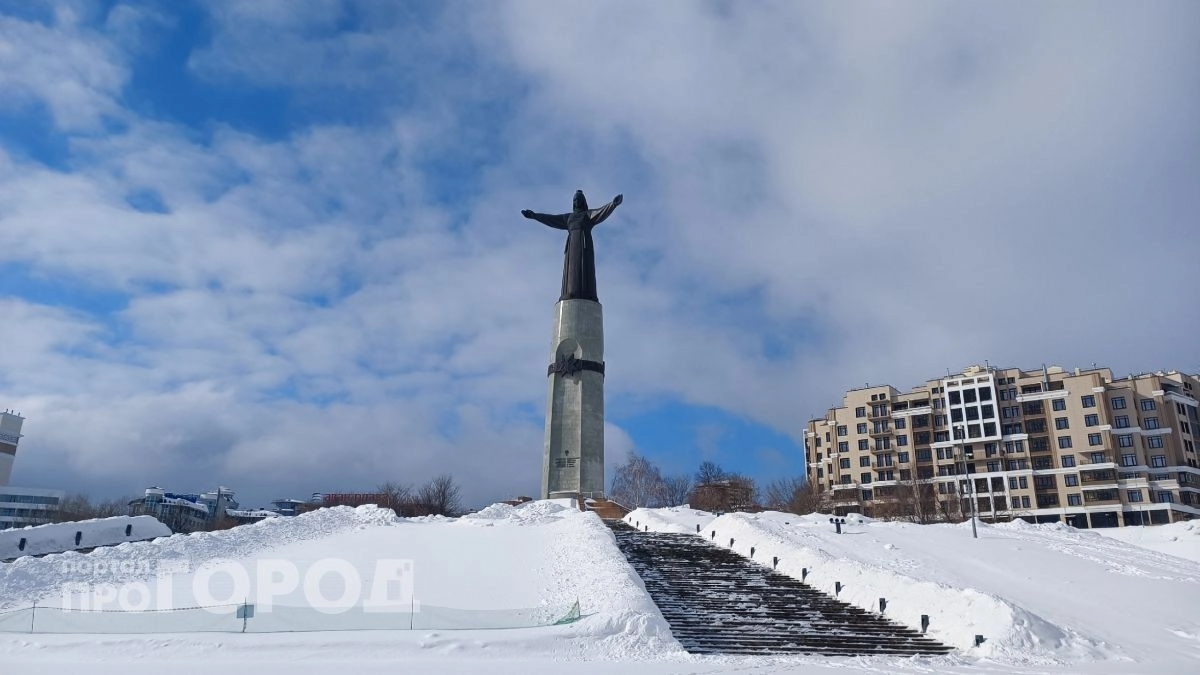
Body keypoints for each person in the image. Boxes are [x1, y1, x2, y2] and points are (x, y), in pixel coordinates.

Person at [522, 190, 623, 301]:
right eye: (575, 200)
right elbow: (552, 219)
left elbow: (601, 212)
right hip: (572, 247)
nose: (576, 202)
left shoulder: (588, 214)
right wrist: (535, 216)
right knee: (571, 270)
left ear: (583, 202)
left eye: (578, 200)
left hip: (584, 246)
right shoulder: (568, 217)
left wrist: (613, 204)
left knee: (585, 268)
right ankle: (570, 292)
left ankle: (587, 293)